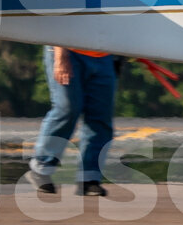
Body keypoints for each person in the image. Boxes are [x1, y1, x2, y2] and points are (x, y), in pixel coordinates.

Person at [27, 45, 117, 196]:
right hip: (67, 51)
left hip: (104, 55)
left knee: (100, 116)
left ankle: (89, 179)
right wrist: (60, 56)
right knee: (67, 109)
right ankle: (41, 167)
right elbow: (60, 22)